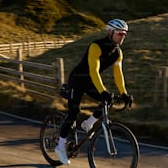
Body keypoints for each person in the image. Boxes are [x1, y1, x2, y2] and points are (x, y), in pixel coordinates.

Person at [55, 19, 134, 164]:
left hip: (91, 82)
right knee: (73, 112)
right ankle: (60, 146)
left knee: (108, 101)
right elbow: (94, 70)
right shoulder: (96, 46)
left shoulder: (118, 53)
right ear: (110, 32)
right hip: (77, 80)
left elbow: (118, 74)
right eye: (120, 34)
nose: (122, 37)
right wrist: (103, 90)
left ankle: (88, 123)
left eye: (124, 35)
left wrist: (124, 93)